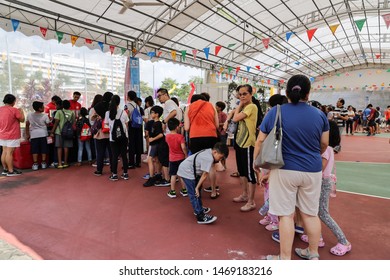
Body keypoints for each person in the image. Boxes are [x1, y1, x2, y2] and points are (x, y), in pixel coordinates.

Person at [255, 74, 329, 260]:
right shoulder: (319, 114)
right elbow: (324, 144)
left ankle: (284, 259)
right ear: (308, 92)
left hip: (284, 169)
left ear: (287, 91)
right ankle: (313, 253)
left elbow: (261, 140)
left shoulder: (276, 111)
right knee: (310, 215)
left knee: (286, 216)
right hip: (312, 170)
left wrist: (258, 164)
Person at [299, 145, 352, 256]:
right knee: (316, 211)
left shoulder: (325, 149)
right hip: (321, 182)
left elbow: (320, 167)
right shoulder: (327, 148)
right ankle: (318, 238)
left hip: (322, 182)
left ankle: (344, 241)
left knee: (323, 213)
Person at [177, 142, 229, 224]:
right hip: (187, 171)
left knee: (197, 191)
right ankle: (200, 216)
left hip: (190, 170)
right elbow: (205, 174)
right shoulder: (209, 158)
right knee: (194, 193)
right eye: (220, 157)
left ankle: (199, 207)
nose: (220, 160)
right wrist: (197, 187)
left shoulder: (209, 151)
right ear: (215, 152)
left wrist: (198, 186)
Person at [184, 94, 220, 199]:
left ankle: (197, 190)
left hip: (195, 137)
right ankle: (213, 191)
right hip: (211, 136)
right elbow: (217, 125)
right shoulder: (211, 105)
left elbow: (186, 128)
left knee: (197, 164)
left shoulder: (189, 107)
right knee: (212, 165)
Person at [229, 84, 258, 212]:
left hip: (248, 144)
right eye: (240, 94)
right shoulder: (245, 107)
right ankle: (245, 195)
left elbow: (234, 118)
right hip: (240, 143)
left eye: (245, 94)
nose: (242, 96)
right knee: (242, 171)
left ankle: (251, 201)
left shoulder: (251, 106)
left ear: (251, 94)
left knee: (250, 174)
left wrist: (239, 105)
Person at [143, 105, 170, 187]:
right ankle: (158, 174)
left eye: (152, 112)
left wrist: (152, 139)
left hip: (156, 144)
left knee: (150, 159)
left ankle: (152, 177)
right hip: (156, 144)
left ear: (157, 114)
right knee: (157, 159)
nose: (151, 114)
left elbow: (161, 135)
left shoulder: (158, 123)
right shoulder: (154, 123)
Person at [105, 95, 129, 181]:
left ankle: (114, 174)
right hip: (123, 137)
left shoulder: (107, 113)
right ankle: (125, 174)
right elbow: (126, 124)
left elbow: (107, 124)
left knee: (114, 156)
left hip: (113, 137)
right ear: (119, 102)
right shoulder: (124, 112)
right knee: (124, 155)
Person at [0, 94, 25, 176]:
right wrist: (21, 111)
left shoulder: (0, 109)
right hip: (12, 135)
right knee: (9, 153)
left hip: (2, 134)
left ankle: (5, 169)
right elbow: (22, 120)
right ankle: (11, 171)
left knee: (4, 151)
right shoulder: (14, 110)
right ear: (13, 102)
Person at [90, 91, 113, 176]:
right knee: (111, 153)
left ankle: (99, 170)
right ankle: (113, 169)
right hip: (110, 133)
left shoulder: (97, 106)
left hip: (100, 133)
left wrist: (98, 117)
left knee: (100, 153)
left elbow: (92, 119)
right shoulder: (111, 107)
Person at [165, 118, 188, 198]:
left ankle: (172, 191)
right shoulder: (180, 137)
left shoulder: (167, 137)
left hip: (172, 158)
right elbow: (183, 147)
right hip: (181, 158)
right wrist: (185, 154)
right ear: (177, 127)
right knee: (181, 175)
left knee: (173, 175)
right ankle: (184, 190)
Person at [50, 100, 75, 169]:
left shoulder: (59, 112)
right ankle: (66, 163)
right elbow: (73, 122)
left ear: (62, 105)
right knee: (66, 147)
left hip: (59, 132)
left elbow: (56, 122)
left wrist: (52, 131)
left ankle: (60, 163)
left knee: (59, 147)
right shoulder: (72, 112)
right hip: (68, 132)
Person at [25, 101, 50, 170]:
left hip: (33, 135)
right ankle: (43, 163)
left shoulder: (29, 115)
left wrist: (27, 134)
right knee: (43, 149)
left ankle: (35, 164)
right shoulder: (45, 115)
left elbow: (27, 124)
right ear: (39, 108)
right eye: (42, 107)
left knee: (34, 150)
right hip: (43, 134)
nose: (44, 108)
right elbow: (48, 124)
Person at [126, 90, 143, 168]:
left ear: (128, 96)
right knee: (138, 143)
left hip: (131, 125)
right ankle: (138, 162)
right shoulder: (137, 105)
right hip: (138, 125)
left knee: (131, 143)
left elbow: (127, 116)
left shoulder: (127, 105)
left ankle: (131, 162)